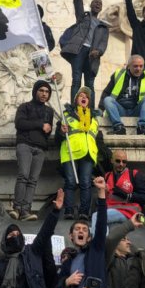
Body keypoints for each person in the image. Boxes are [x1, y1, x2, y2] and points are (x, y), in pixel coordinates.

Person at [0, 189, 64, 288]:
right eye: (11, 235)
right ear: (5, 241)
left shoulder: (32, 252)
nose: (15, 236)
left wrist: (55, 211)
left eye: (17, 233)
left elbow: (45, 233)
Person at [60, 0, 109, 108]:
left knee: (90, 83)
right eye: (95, 2)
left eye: (100, 3)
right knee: (76, 80)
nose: (97, 4)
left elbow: (103, 44)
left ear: (101, 9)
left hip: (92, 55)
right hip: (79, 50)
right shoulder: (83, 17)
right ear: (91, 5)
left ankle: (91, 109)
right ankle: (75, 107)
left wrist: (98, 52)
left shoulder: (103, 26)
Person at [55, 176, 108, 288]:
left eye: (84, 230)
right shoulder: (68, 260)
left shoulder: (96, 250)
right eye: (77, 229)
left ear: (89, 238)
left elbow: (101, 225)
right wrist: (66, 282)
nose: (81, 231)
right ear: (70, 236)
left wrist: (101, 192)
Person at [10, 80, 55, 221]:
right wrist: (40, 124)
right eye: (41, 90)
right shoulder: (25, 107)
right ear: (35, 91)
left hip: (40, 148)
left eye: (47, 92)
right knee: (23, 175)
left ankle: (26, 210)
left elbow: (47, 131)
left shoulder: (50, 111)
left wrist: (50, 129)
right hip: (25, 144)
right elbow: (19, 123)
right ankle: (17, 207)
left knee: (33, 180)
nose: (44, 94)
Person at [56, 86, 101, 220]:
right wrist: (61, 132)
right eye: (81, 96)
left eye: (86, 97)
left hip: (88, 153)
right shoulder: (65, 116)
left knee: (86, 182)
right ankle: (68, 211)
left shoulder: (94, 119)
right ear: (76, 100)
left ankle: (84, 212)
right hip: (70, 153)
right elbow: (56, 138)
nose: (84, 98)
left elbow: (98, 140)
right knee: (70, 182)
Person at [100, 55, 145, 135]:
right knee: (107, 100)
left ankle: (142, 127)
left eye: (141, 66)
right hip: (120, 110)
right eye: (135, 66)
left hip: (137, 110)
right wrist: (100, 110)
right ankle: (118, 127)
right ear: (129, 66)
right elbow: (106, 92)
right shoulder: (118, 74)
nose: (138, 69)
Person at [98, 150, 145, 227]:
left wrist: (128, 196)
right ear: (112, 161)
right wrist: (102, 191)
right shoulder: (107, 176)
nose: (121, 164)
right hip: (111, 212)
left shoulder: (134, 174)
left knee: (99, 217)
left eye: (124, 162)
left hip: (133, 214)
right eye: (118, 161)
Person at [105, 213, 144, 288]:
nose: (129, 242)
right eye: (124, 239)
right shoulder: (109, 260)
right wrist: (130, 224)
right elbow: (111, 239)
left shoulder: (136, 260)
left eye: (128, 240)